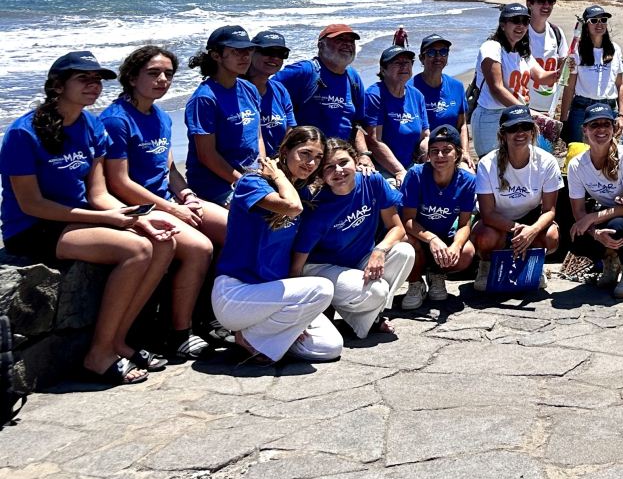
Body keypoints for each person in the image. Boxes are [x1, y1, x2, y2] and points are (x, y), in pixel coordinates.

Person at [1, 52, 181, 385]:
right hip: (33, 227)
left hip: (76, 217)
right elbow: (32, 204)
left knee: (162, 241)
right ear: (57, 85)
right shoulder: (22, 134)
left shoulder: (90, 125)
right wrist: (112, 221)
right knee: (136, 250)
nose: (94, 86)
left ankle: (119, 340)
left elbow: (98, 193)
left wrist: (134, 217)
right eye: (83, 79)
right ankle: (98, 355)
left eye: (97, 79)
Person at [103, 46, 221, 360]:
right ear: (131, 77)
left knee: (235, 227)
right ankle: (179, 333)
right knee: (200, 247)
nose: (163, 80)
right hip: (137, 207)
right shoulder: (116, 120)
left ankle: (214, 313)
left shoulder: (160, 116)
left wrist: (187, 196)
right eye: (153, 73)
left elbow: (169, 171)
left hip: (168, 200)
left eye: (168, 73)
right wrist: (171, 209)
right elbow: (119, 183)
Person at [211, 125, 343, 363]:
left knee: (330, 347)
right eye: (305, 153)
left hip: (272, 296)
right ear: (285, 150)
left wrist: (294, 321)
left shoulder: (300, 190)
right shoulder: (252, 183)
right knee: (322, 289)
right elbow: (293, 208)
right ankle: (247, 337)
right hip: (237, 294)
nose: (311, 163)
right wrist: (278, 175)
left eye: (318, 158)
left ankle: (264, 338)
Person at [291, 139, 414, 339]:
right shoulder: (318, 205)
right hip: (322, 268)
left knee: (405, 252)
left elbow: (397, 229)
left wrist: (379, 250)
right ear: (321, 174)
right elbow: (298, 262)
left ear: (356, 161)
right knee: (378, 291)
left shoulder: (372, 181)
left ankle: (367, 317)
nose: (338, 170)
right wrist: (295, 311)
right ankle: (364, 313)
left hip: (359, 260)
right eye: (329, 167)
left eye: (343, 162)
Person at [568, 104, 623, 300]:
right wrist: (594, 232)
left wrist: (593, 218)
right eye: (594, 125)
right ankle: (609, 259)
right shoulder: (576, 165)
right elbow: (578, 212)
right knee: (576, 234)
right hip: (607, 215)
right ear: (585, 129)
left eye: (606, 124)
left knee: (617, 226)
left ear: (613, 128)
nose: (601, 129)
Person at [470, 105, 562, 291]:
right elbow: (487, 213)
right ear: (503, 134)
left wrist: (532, 230)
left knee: (551, 236)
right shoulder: (487, 164)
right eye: (513, 128)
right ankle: (486, 265)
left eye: (525, 127)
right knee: (485, 238)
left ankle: (534, 264)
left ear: (533, 131)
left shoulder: (547, 162)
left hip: (530, 217)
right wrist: (517, 229)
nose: (519, 133)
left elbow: (549, 210)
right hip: (495, 220)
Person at [397, 125, 477, 310]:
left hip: (445, 235)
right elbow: (407, 220)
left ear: (457, 154)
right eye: (434, 151)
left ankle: (436, 274)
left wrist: (456, 246)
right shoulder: (416, 175)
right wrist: (432, 239)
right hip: (419, 235)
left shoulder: (467, 181)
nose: (440, 156)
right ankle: (415, 283)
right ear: (428, 155)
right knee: (404, 241)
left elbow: (465, 223)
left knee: (466, 252)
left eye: (446, 150)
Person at [185, 25, 266, 204]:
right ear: (216, 55)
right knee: (266, 216)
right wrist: (241, 182)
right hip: (217, 185)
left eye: (249, 50)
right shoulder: (204, 99)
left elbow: (257, 137)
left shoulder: (249, 89)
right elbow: (207, 155)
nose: (245, 56)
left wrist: (263, 167)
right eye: (237, 51)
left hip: (252, 176)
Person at [274, 23, 371, 152]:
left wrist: (364, 154)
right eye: (340, 40)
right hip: (307, 159)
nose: (347, 44)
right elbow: (263, 91)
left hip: (339, 158)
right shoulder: (303, 71)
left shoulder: (353, 77)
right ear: (321, 45)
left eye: (351, 41)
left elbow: (357, 123)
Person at [472, 3, 533, 155]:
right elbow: (496, 89)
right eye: (515, 20)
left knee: (513, 167)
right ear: (503, 24)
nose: (521, 25)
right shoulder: (491, 47)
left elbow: (545, 77)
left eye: (525, 21)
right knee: (491, 169)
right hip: (491, 117)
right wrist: (526, 112)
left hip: (515, 115)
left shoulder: (520, 53)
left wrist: (567, 66)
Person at [364, 46, 429, 180]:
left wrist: (427, 157)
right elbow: (374, 141)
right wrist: (399, 171)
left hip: (412, 164)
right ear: (383, 69)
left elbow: (425, 135)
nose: (404, 66)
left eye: (408, 62)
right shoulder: (375, 95)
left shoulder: (417, 96)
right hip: (384, 168)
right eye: (397, 63)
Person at [561, 4, 623, 142]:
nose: (599, 24)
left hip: (609, 108)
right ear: (586, 25)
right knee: (577, 151)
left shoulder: (615, 49)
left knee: (606, 154)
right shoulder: (576, 51)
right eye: (594, 21)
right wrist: (564, 120)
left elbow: (620, 84)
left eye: (603, 20)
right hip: (582, 108)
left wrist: (621, 115)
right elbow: (569, 87)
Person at [520, 0, 569, 119]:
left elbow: (563, 64)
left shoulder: (556, 32)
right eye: (541, 1)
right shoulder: (520, 33)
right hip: (525, 106)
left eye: (551, 1)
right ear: (529, 3)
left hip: (549, 108)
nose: (546, 5)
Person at [247, 30, 297, 156]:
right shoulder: (235, 90)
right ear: (251, 52)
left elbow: (289, 132)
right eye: (268, 52)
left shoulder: (280, 90)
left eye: (281, 54)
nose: (274, 58)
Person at [412, 34, 468, 138]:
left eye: (443, 52)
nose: (438, 57)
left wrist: (465, 151)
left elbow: (462, 125)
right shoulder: (410, 88)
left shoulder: (457, 86)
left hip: (449, 150)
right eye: (431, 53)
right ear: (421, 58)